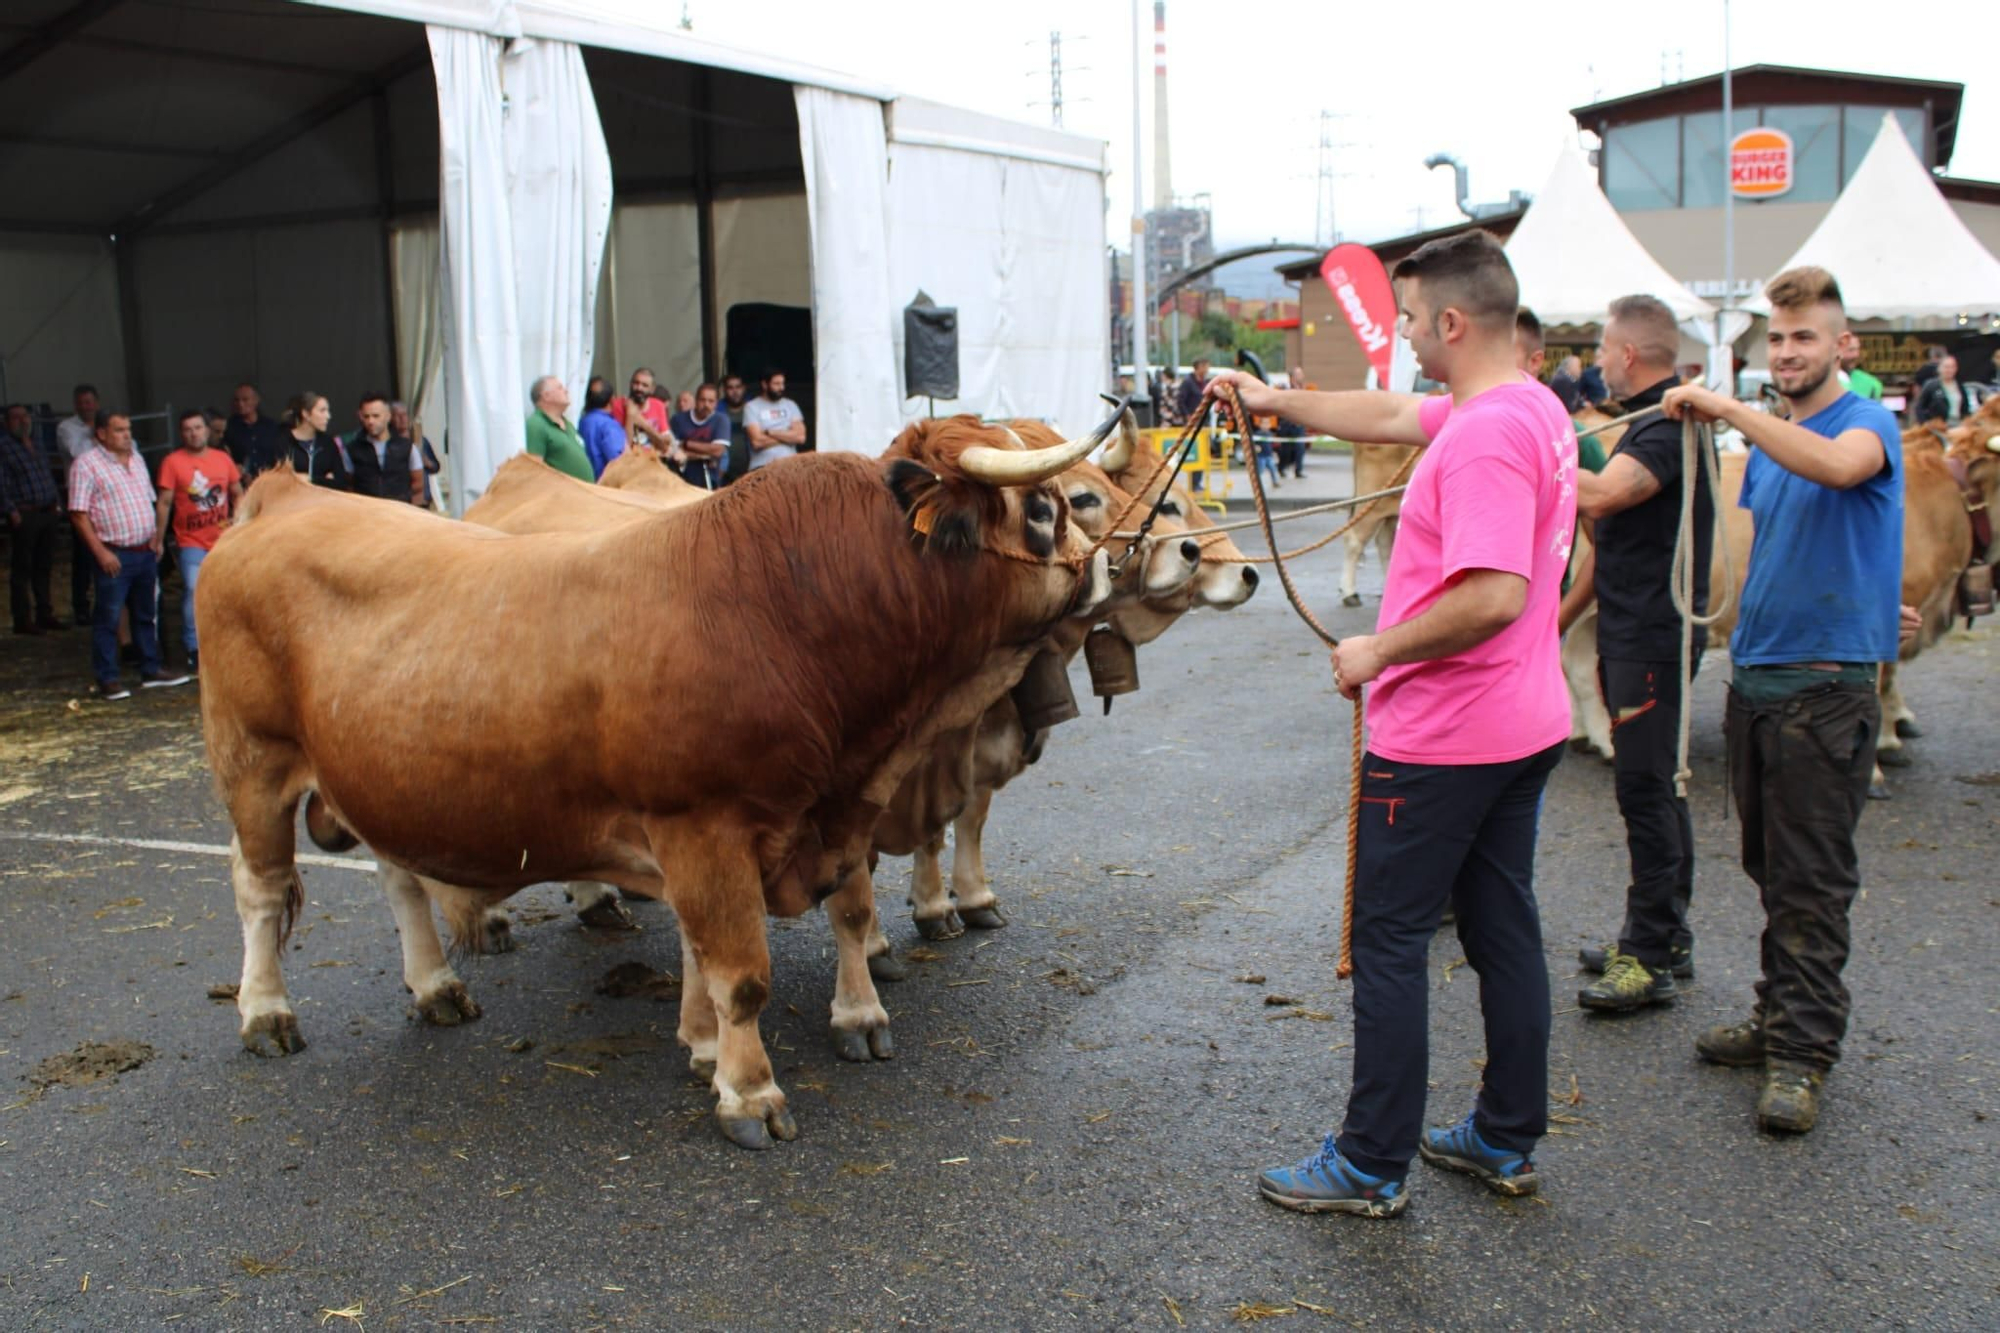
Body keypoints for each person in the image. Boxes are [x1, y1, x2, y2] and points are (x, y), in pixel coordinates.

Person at [1228, 230, 1575, 1218]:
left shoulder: (1478, 436)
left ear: (1454, 322)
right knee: (1503, 929)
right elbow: (1381, 409)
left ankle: (1370, 1160)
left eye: (1416, 320)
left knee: (1387, 943)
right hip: (1519, 724)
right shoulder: (1525, 404)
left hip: (1441, 739)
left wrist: (1372, 651)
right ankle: (1502, 1137)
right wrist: (1270, 401)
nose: (1409, 337)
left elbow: (1493, 594)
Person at [1660, 265, 1902, 1135]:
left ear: (1845, 347)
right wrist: (1876, 597)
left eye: (1807, 337)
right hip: (1761, 682)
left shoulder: (1865, 422)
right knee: (1773, 870)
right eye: (1780, 338)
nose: (1790, 351)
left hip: (1823, 694)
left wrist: (1729, 410)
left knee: (1811, 882)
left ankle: (1802, 1053)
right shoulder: (1773, 447)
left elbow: (1842, 471)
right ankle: (1777, 1018)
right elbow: (1797, 545)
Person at [1558, 295, 1715, 1012]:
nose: (1595, 362)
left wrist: (1528, 446)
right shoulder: (1654, 420)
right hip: (1634, 629)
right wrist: (1558, 620)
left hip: (1652, 635)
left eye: (1600, 349)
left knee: (1646, 790)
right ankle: (1666, 932)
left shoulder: (1662, 428)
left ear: (1626, 355)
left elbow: (1602, 498)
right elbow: (1606, 537)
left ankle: (1648, 953)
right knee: (1656, 786)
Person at [69, 410, 190, 699]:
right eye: (119, 430)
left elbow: (149, 501)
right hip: (115, 552)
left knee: (146, 613)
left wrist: (156, 538)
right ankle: (107, 677)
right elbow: (78, 514)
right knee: (109, 617)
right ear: (101, 434)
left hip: (144, 549)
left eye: (128, 429)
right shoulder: (86, 465)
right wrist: (100, 552)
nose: (127, 435)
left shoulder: (136, 459)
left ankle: (151, 668)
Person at [153, 409, 241, 673]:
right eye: (188, 429)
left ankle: (226, 644)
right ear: (182, 434)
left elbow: (238, 492)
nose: (194, 433)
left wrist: (241, 524)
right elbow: (165, 502)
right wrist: (158, 539)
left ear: (207, 429)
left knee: (226, 592)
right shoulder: (172, 462)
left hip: (223, 539)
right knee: (193, 589)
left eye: (198, 428)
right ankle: (193, 647)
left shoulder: (223, 459)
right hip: (190, 540)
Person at [3, 402, 67, 634]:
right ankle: (22, 618)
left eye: (25, 416)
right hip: (25, 512)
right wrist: (11, 511)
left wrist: (58, 503)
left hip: (47, 510)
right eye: (16, 417)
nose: (22, 421)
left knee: (44, 565)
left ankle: (45, 612)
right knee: (22, 568)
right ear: (6, 422)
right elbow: (1, 484)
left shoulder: (36, 443)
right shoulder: (4, 447)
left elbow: (47, 476)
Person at [56, 384, 100, 626]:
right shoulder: (66, 428)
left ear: (97, 403)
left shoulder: (108, 424)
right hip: (82, 498)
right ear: (75, 405)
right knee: (83, 555)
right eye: (82, 402)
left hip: (105, 499)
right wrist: (95, 435)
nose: (86, 406)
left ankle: (103, 604)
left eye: (90, 402)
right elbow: (78, 452)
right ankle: (81, 606)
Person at [345, 392, 424, 503]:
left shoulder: (407, 447)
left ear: (388, 416)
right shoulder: (352, 449)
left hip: (400, 509)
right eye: (366, 416)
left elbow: (418, 483)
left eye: (376, 416)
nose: (370, 421)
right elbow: (349, 483)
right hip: (367, 510)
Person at [525, 375, 593, 481]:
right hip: (562, 495)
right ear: (546, 396)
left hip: (583, 494)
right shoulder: (536, 424)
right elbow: (535, 469)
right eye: (560, 388)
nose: (566, 391)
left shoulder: (568, 424)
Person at [280, 392, 350, 489]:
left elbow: (340, 482)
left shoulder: (328, 444)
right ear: (306, 414)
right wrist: (325, 480)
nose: (328, 416)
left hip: (322, 502)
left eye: (327, 411)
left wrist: (311, 479)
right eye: (322, 411)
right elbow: (276, 480)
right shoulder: (283, 442)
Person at [668, 382, 731, 489]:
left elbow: (718, 450)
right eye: (702, 400)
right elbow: (673, 450)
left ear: (716, 403)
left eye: (711, 401)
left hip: (709, 479)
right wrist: (705, 454)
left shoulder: (721, 420)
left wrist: (687, 444)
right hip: (680, 478)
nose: (706, 404)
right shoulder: (678, 419)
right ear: (696, 401)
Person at [743, 369, 806, 470]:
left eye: (782, 383)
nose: (781, 387)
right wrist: (788, 437)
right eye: (776, 384)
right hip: (762, 466)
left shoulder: (790, 405)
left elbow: (800, 437)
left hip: (791, 465)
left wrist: (770, 432)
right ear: (764, 384)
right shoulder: (751, 407)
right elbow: (757, 442)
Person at [223, 382, 288, 480]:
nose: (240, 404)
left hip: (269, 480)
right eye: (237, 400)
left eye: (245, 400)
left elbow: (281, 454)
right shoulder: (229, 427)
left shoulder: (271, 426)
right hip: (242, 481)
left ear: (256, 400)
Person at [390, 401, 440, 507]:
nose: (402, 418)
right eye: (397, 415)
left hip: (424, 499)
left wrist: (428, 463)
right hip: (403, 500)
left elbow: (436, 467)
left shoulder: (422, 441)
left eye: (404, 414)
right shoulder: (390, 444)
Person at [577, 377, 627, 479]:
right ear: (612, 400)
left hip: (584, 484)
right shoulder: (609, 425)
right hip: (605, 487)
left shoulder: (580, 422)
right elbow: (618, 461)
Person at [614, 368, 673, 452]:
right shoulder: (618, 405)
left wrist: (643, 424)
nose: (639, 388)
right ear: (630, 384)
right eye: (636, 383)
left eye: (645, 385)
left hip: (652, 460)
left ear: (652, 389)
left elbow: (665, 446)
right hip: (630, 461)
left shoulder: (658, 405)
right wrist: (630, 415)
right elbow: (625, 447)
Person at [1914, 355, 1973, 424]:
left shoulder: (1960, 386)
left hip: (1957, 424)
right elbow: (1920, 407)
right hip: (1938, 426)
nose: (1949, 370)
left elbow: (1966, 408)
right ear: (1939, 368)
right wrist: (1924, 423)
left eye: (1952, 367)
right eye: (1946, 367)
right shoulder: (1931, 385)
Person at [1175, 357, 1213, 424]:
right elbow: (1180, 400)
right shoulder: (1188, 382)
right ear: (1198, 367)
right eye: (1205, 367)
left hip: (1204, 419)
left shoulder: (1206, 382)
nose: (1207, 369)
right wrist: (1187, 415)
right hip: (1192, 418)